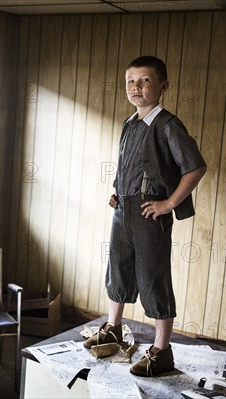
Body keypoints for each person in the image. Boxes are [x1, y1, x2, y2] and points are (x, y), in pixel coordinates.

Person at [84, 55, 207, 377]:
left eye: (145, 80)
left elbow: (195, 168)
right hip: (124, 208)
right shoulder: (130, 123)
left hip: (149, 214)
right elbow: (131, 165)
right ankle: (113, 328)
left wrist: (167, 204)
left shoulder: (167, 125)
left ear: (163, 86)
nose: (136, 87)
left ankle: (161, 351)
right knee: (118, 268)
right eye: (130, 81)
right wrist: (118, 192)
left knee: (152, 277)